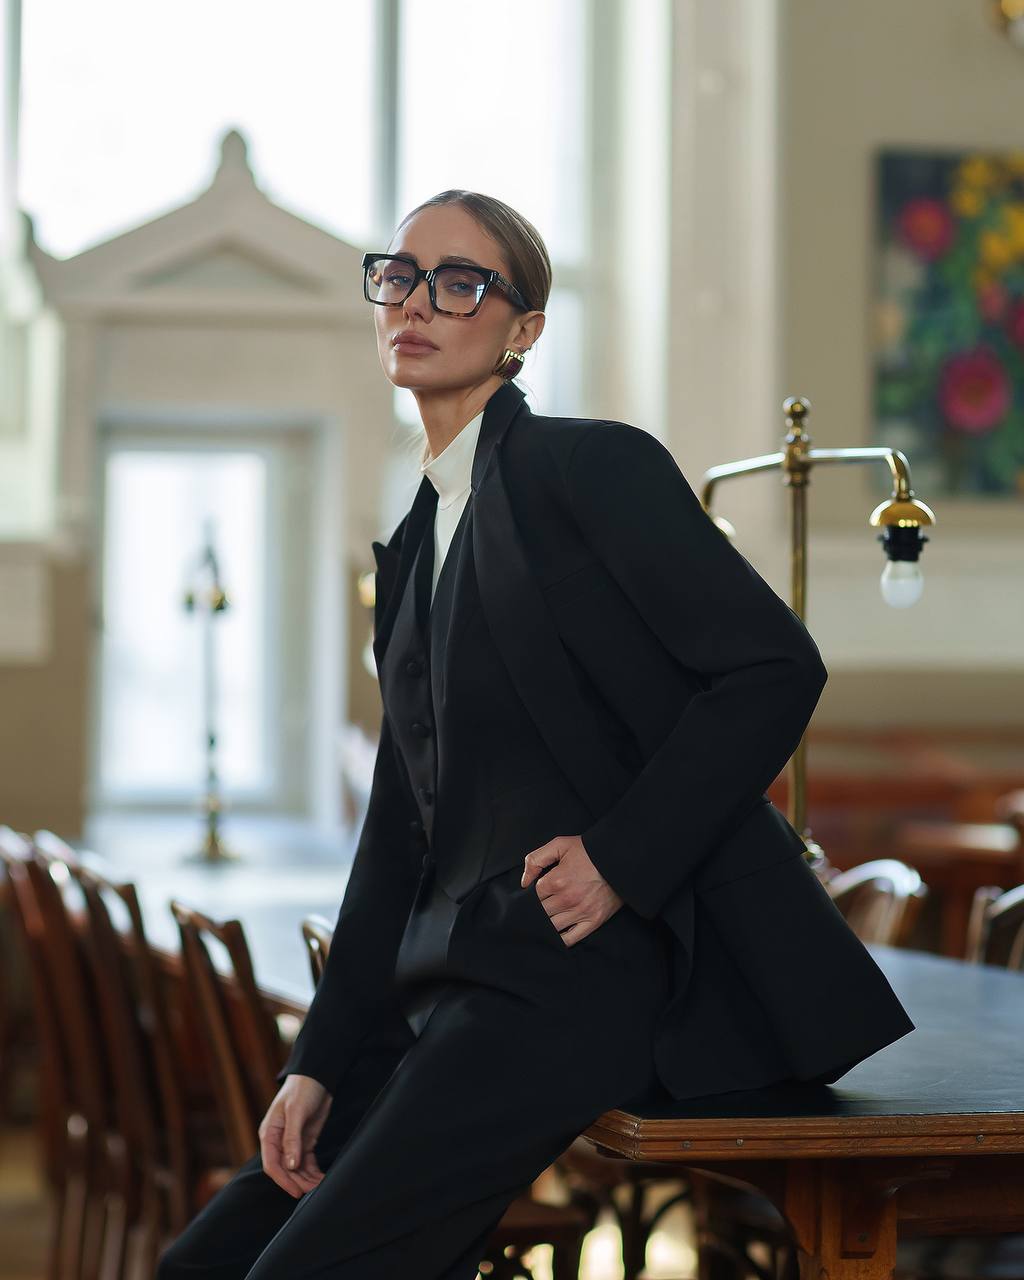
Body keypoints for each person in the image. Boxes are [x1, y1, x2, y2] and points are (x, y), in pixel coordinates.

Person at [157, 190, 914, 1280]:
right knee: (203, 1261)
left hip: (570, 982)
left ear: (524, 330)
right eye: (399, 276)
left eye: (460, 282)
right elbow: (399, 830)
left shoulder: (588, 466)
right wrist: (319, 1057)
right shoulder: (414, 540)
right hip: (436, 985)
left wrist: (619, 857)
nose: (417, 302)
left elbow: (774, 668)